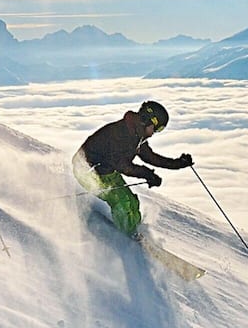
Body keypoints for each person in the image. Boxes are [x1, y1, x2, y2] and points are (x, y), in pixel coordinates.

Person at [70, 101, 192, 238]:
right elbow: (123, 166)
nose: (154, 134)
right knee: (123, 203)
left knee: (133, 202)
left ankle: (133, 230)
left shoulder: (136, 134)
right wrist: (147, 174)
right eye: (156, 129)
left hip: (106, 171)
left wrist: (179, 163)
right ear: (148, 122)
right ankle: (127, 236)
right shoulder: (121, 134)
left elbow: (151, 158)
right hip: (87, 172)